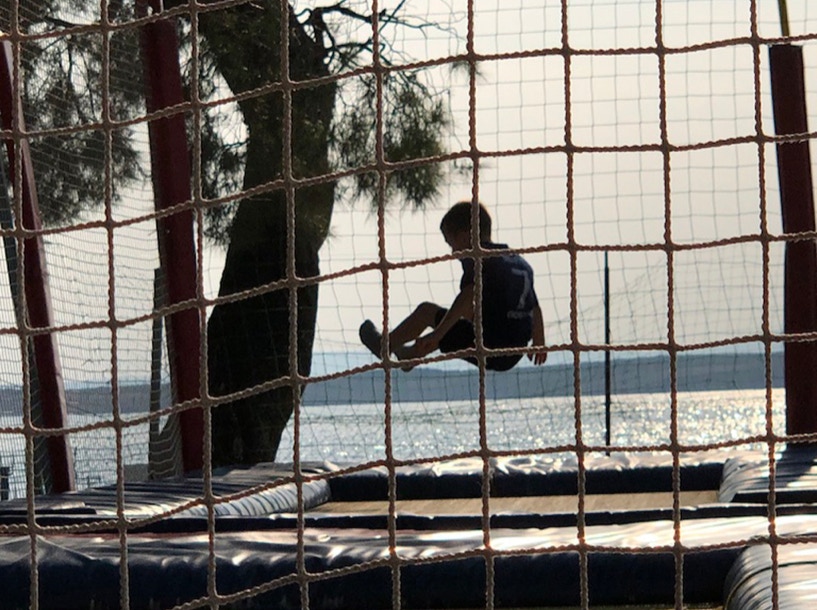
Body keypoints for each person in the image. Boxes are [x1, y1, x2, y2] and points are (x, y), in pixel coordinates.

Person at [359, 201, 547, 371]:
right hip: (516, 349)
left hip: (491, 346)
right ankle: (409, 356)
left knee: (427, 312)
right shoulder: (517, 261)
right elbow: (534, 307)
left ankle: (384, 346)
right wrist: (539, 341)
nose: (453, 252)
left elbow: (467, 297)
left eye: (451, 243)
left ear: (465, 237)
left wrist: (437, 334)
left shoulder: (478, 257)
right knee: (465, 319)